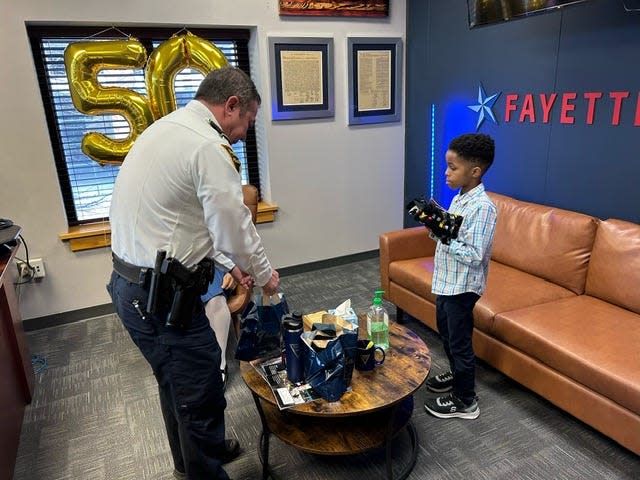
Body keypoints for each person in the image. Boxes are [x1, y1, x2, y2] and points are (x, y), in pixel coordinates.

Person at [107, 66, 279, 480]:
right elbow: (234, 225)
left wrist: (232, 266)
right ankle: (204, 469)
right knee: (200, 389)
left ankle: (194, 458)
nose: (242, 133)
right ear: (231, 105)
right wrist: (265, 273)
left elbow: (189, 223)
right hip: (162, 298)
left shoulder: (166, 129)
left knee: (174, 382)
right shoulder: (207, 146)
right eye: (246, 122)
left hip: (132, 286)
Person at [423, 133, 497, 420]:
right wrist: (435, 225)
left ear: (475, 171)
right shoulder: (460, 199)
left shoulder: (483, 208)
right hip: (447, 282)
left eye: (453, 167)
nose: (446, 172)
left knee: (460, 342)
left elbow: (475, 255)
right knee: (446, 333)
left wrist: (444, 238)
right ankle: (457, 376)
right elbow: (451, 236)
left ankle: (466, 400)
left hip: (463, 288)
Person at [202, 267, 236, 389]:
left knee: (215, 299)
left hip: (212, 263)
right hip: (176, 263)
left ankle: (220, 363)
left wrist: (232, 270)